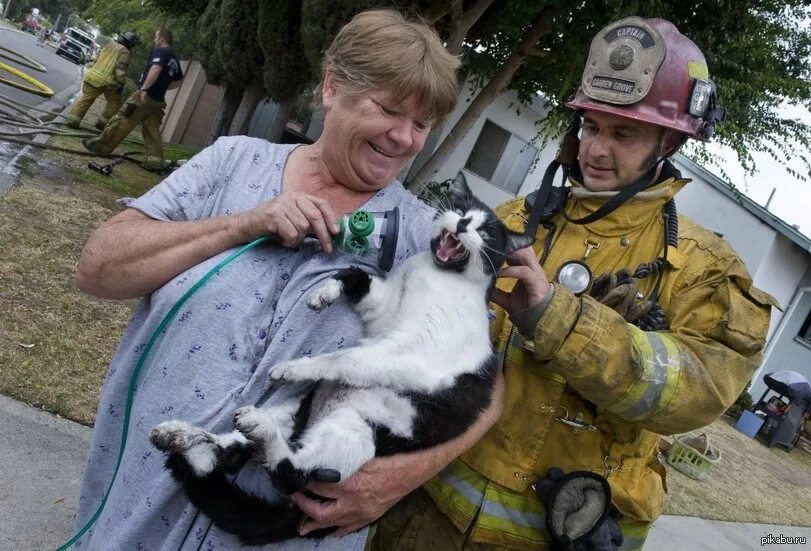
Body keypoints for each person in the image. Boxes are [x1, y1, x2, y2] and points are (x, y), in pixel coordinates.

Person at [72, 10, 499, 551]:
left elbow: (485, 385)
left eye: (421, 124)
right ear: (330, 87)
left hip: (278, 529)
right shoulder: (232, 165)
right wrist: (245, 223)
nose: (403, 137)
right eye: (389, 110)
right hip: (140, 499)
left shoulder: (426, 239)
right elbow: (99, 267)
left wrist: (405, 475)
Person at [355, 16, 778, 551]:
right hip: (425, 517)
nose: (597, 150)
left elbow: (700, 394)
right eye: (591, 127)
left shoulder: (704, 269)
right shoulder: (511, 220)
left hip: (559, 533)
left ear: (668, 140)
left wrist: (556, 318)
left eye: (624, 133)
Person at [83, 29, 183, 171]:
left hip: (144, 97)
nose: (154, 40)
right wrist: (162, 87)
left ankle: (99, 147)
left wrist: (145, 89)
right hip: (158, 101)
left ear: (162, 38)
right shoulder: (173, 58)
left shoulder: (161, 52)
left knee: (122, 121)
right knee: (151, 130)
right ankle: (155, 162)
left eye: (156, 37)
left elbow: (155, 69)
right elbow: (178, 81)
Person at [65, 32, 140, 130]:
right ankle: (101, 123)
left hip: (93, 76)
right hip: (108, 82)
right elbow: (120, 68)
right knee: (115, 103)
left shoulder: (110, 45)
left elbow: (98, 58)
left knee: (86, 99)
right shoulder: (125, 52)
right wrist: (121, 83)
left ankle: (73, 121)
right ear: (131, 44)